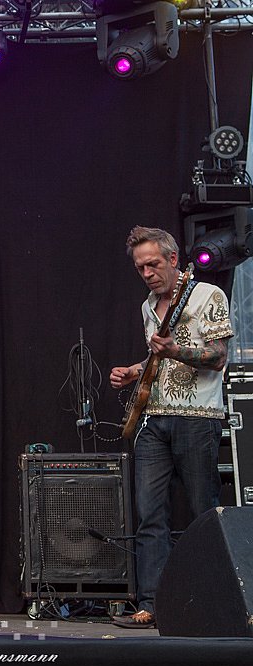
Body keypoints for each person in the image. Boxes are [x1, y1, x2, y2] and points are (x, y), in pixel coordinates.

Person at [109, 226, 232, 628]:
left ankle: (213, 604)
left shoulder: (207, 295)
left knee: (202, 514)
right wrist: (134, 371)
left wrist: (176, 349)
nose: (147, 273)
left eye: (153, 264)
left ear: (174, 259)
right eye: (140, 268)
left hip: (198, 418)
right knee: (150, 515)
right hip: (153, 420)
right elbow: (158, 360)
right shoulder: (148, 306)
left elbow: (218, 357)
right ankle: (152, 604)